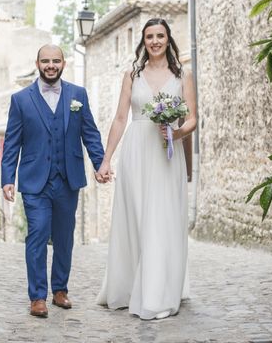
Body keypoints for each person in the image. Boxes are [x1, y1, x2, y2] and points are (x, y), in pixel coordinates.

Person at [96, 18, 197, 320]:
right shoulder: (132, 74)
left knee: (162, 218)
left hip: (166, 153)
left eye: (160, 36)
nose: (155, 41)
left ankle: (158, 292)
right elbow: (119, 118)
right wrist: (106, 159)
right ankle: (128, 287)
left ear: (168, 39)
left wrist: (176, 134)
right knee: (136, 218)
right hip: (136, 151)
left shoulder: (183, 76)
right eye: (149, 36)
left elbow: (192, 119)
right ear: (143, 41)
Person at [1, 44, 107, 318]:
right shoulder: (21, 99)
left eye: (56, 61)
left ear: (64, 64)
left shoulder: (77, 95)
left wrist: (100, 164)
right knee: (37, 234)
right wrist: (7, 178)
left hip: (67, 179)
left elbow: (91, 134)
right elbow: (12, 143)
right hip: (35, 181)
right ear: (37, 64)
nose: (51, 65)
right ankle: (37, 296)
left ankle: (60, 289)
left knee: (64, 237)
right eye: (45, 61)